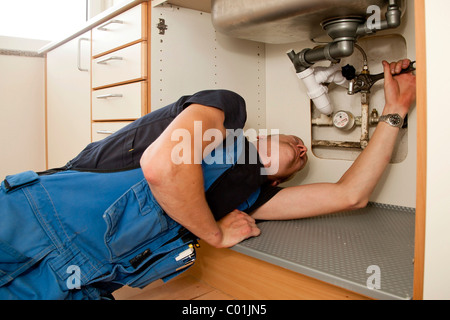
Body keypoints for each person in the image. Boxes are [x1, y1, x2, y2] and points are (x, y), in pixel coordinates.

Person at [0, 59, 415, 299]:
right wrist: (213, 234)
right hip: (24, 224)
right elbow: (165, 167)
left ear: (277, 182)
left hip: (78, 287)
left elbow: (351, 194)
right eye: (294, 140)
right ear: (259, 134)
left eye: (299, 163)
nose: (301, 150)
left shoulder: (253, 198)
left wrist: (395, 109)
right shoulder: (225, 112)